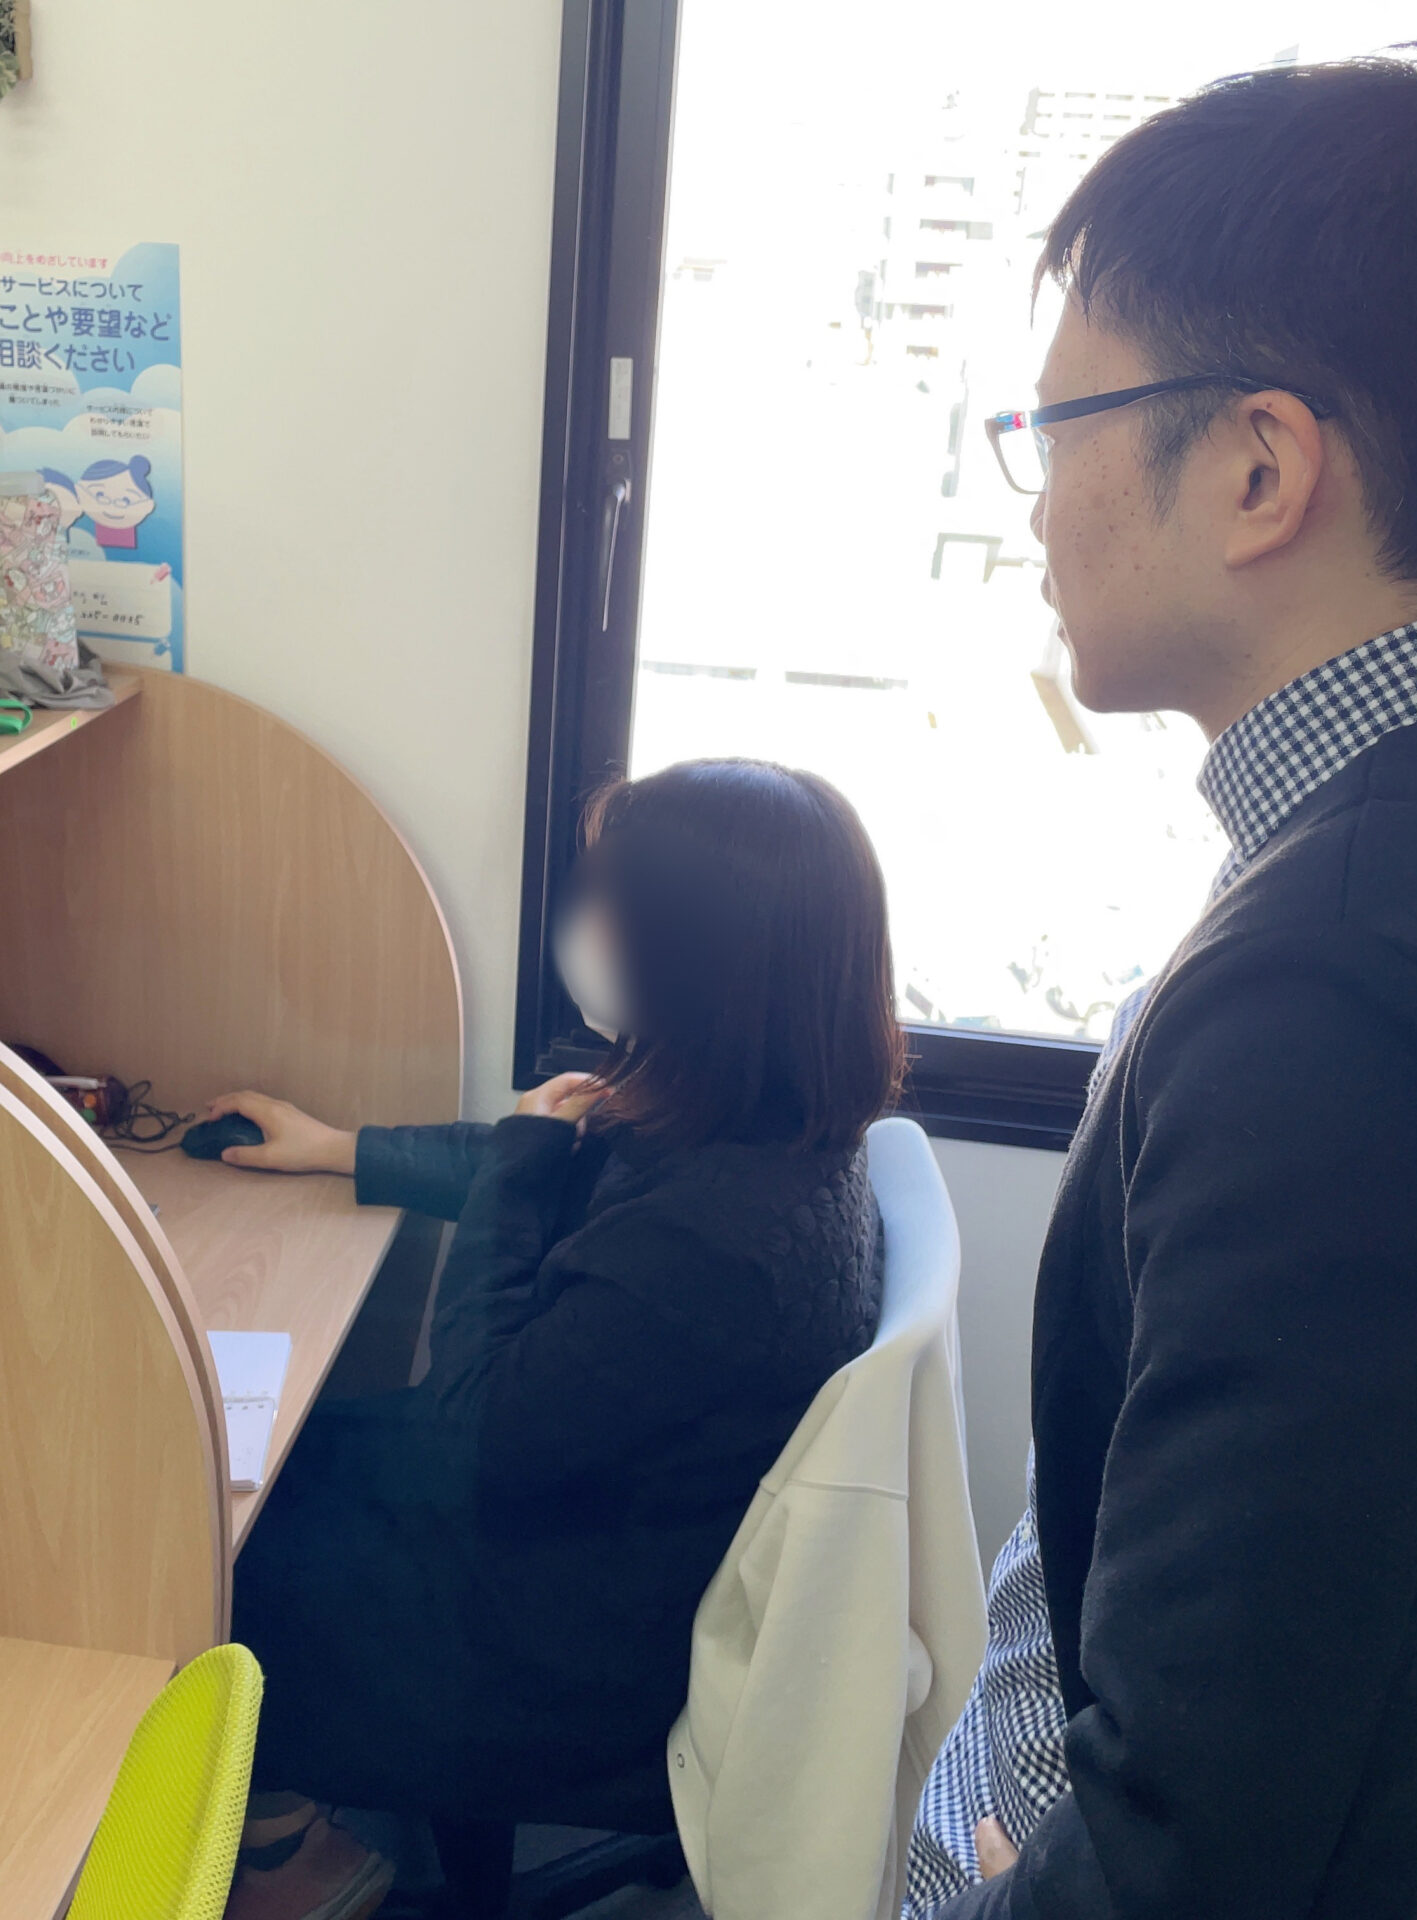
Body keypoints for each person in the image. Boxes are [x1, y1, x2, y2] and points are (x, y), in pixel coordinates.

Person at [928, 48, 1417, 1920]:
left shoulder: (1353, 1007)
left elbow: (1214, 1852)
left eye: (1058, 427)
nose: (1035, 504)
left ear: (1260, 469)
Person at [207, 759, 907, 1920]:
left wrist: (516, 1171)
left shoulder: (713, 1244)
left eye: (609, 903)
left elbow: (467, 1430)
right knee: (270, 1448)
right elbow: (565, 1159)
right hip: (596, 1541)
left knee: (213, 1537)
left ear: (693, 957)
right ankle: (288, 1804)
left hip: (555, 1646)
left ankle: (286, 1845)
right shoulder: (765, 1123)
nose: (587, 930)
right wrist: (341, 1147)